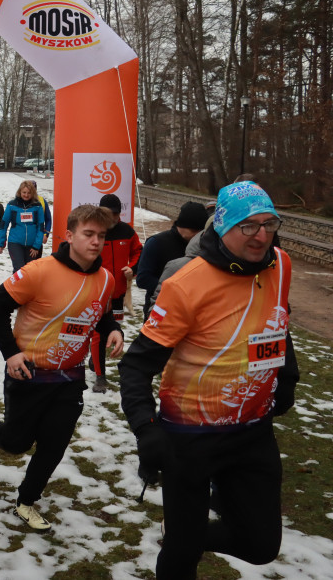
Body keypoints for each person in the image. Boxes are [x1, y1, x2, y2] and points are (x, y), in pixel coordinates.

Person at [118, 182, 297, 578]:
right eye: (248, 226)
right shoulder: (186, 283)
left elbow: (278, 322)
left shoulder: (280, 264)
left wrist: (287, 376)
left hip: (251, 431)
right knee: (182, 556)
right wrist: (146, 428)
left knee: (261, 545)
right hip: (190, 437)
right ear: (221, 227)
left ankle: (187, 533)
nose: (262, 235)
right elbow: (135, 366)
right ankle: (184, 537)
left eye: (269, 223)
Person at [0, 205, 123, 532]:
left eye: (101, 235)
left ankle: (26, 501)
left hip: (69, 379)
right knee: (16, 442)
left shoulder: (106, 279)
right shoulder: (41, 270)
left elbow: (100, 314)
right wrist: (11, 354)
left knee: (54, 444)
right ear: (69, 235)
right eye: (88, 234)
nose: (96, 241)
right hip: (27, 372)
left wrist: (113, 329)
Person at [90, 193, 143, 393]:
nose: (111, 217)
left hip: (119, 293)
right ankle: (100, 376)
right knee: (98, 335)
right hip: (98, 294)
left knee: (114, 330)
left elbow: (138, 251)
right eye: (107, 213)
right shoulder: (94, 231)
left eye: (115, 213)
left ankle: (97, 360)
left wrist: (132, 268)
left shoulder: (127, 231)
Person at [136, 201, 208, 318]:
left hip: (192, 310)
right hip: (159, 308)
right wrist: (176, 290)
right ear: (182, 226)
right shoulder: (156, 243)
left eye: (200, 233)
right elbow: (143, 279)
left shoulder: (202, 245)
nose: (197, 237)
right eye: (194, 232)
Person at [0, 180, 45, 273]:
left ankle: (27, 288)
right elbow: (4, 224)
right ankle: (16, 287)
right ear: (20, 192)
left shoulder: (37, 206)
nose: (26, 195)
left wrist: (36, 246)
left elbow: (40, 227)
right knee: (19, 270)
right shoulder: (12, 205)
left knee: (30, 271)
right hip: (15, 242)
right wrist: (0, 243)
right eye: (24, 192)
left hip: (32, 245)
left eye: (29, 193)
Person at [31, 180, 52, 258]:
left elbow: (48, 219)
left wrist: (45, 234)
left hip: (38, 237)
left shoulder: (42, 201)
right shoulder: (21, 201)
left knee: (36, 263)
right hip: (24, 239)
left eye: (33, 189)